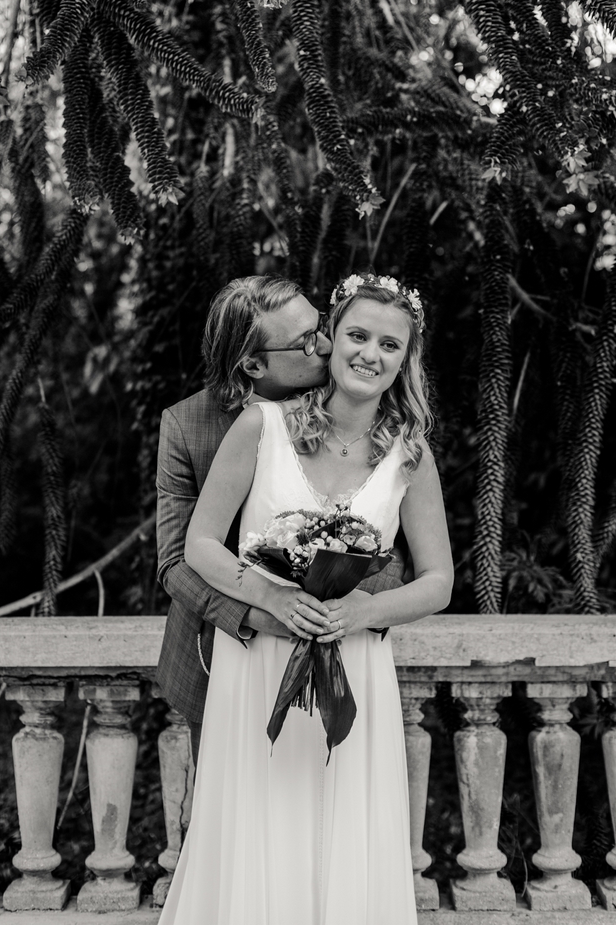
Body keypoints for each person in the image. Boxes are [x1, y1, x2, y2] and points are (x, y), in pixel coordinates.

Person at [159, 274, 454, 925]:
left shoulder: (411, 455)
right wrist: (268, 599)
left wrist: (365, 611)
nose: (369, 354)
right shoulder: (260, 426)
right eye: (356, 335)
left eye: (390, 345)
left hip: (355, 659)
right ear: (335, 338)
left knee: (343, 831)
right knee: (257, 829)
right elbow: (197, 546)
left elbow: (438, 581)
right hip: (257, 662)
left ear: (407, 359)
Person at [155, 275, 406, 765]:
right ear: (254, 364)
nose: (326, 345)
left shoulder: (358, 397)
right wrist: (266, 609)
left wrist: (342, 607)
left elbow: (389, 535)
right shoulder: (188, 426)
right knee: (227, 803)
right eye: (306, 341)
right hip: (220, 648)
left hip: (341, 648)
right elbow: (176, 562)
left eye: (321, 326)